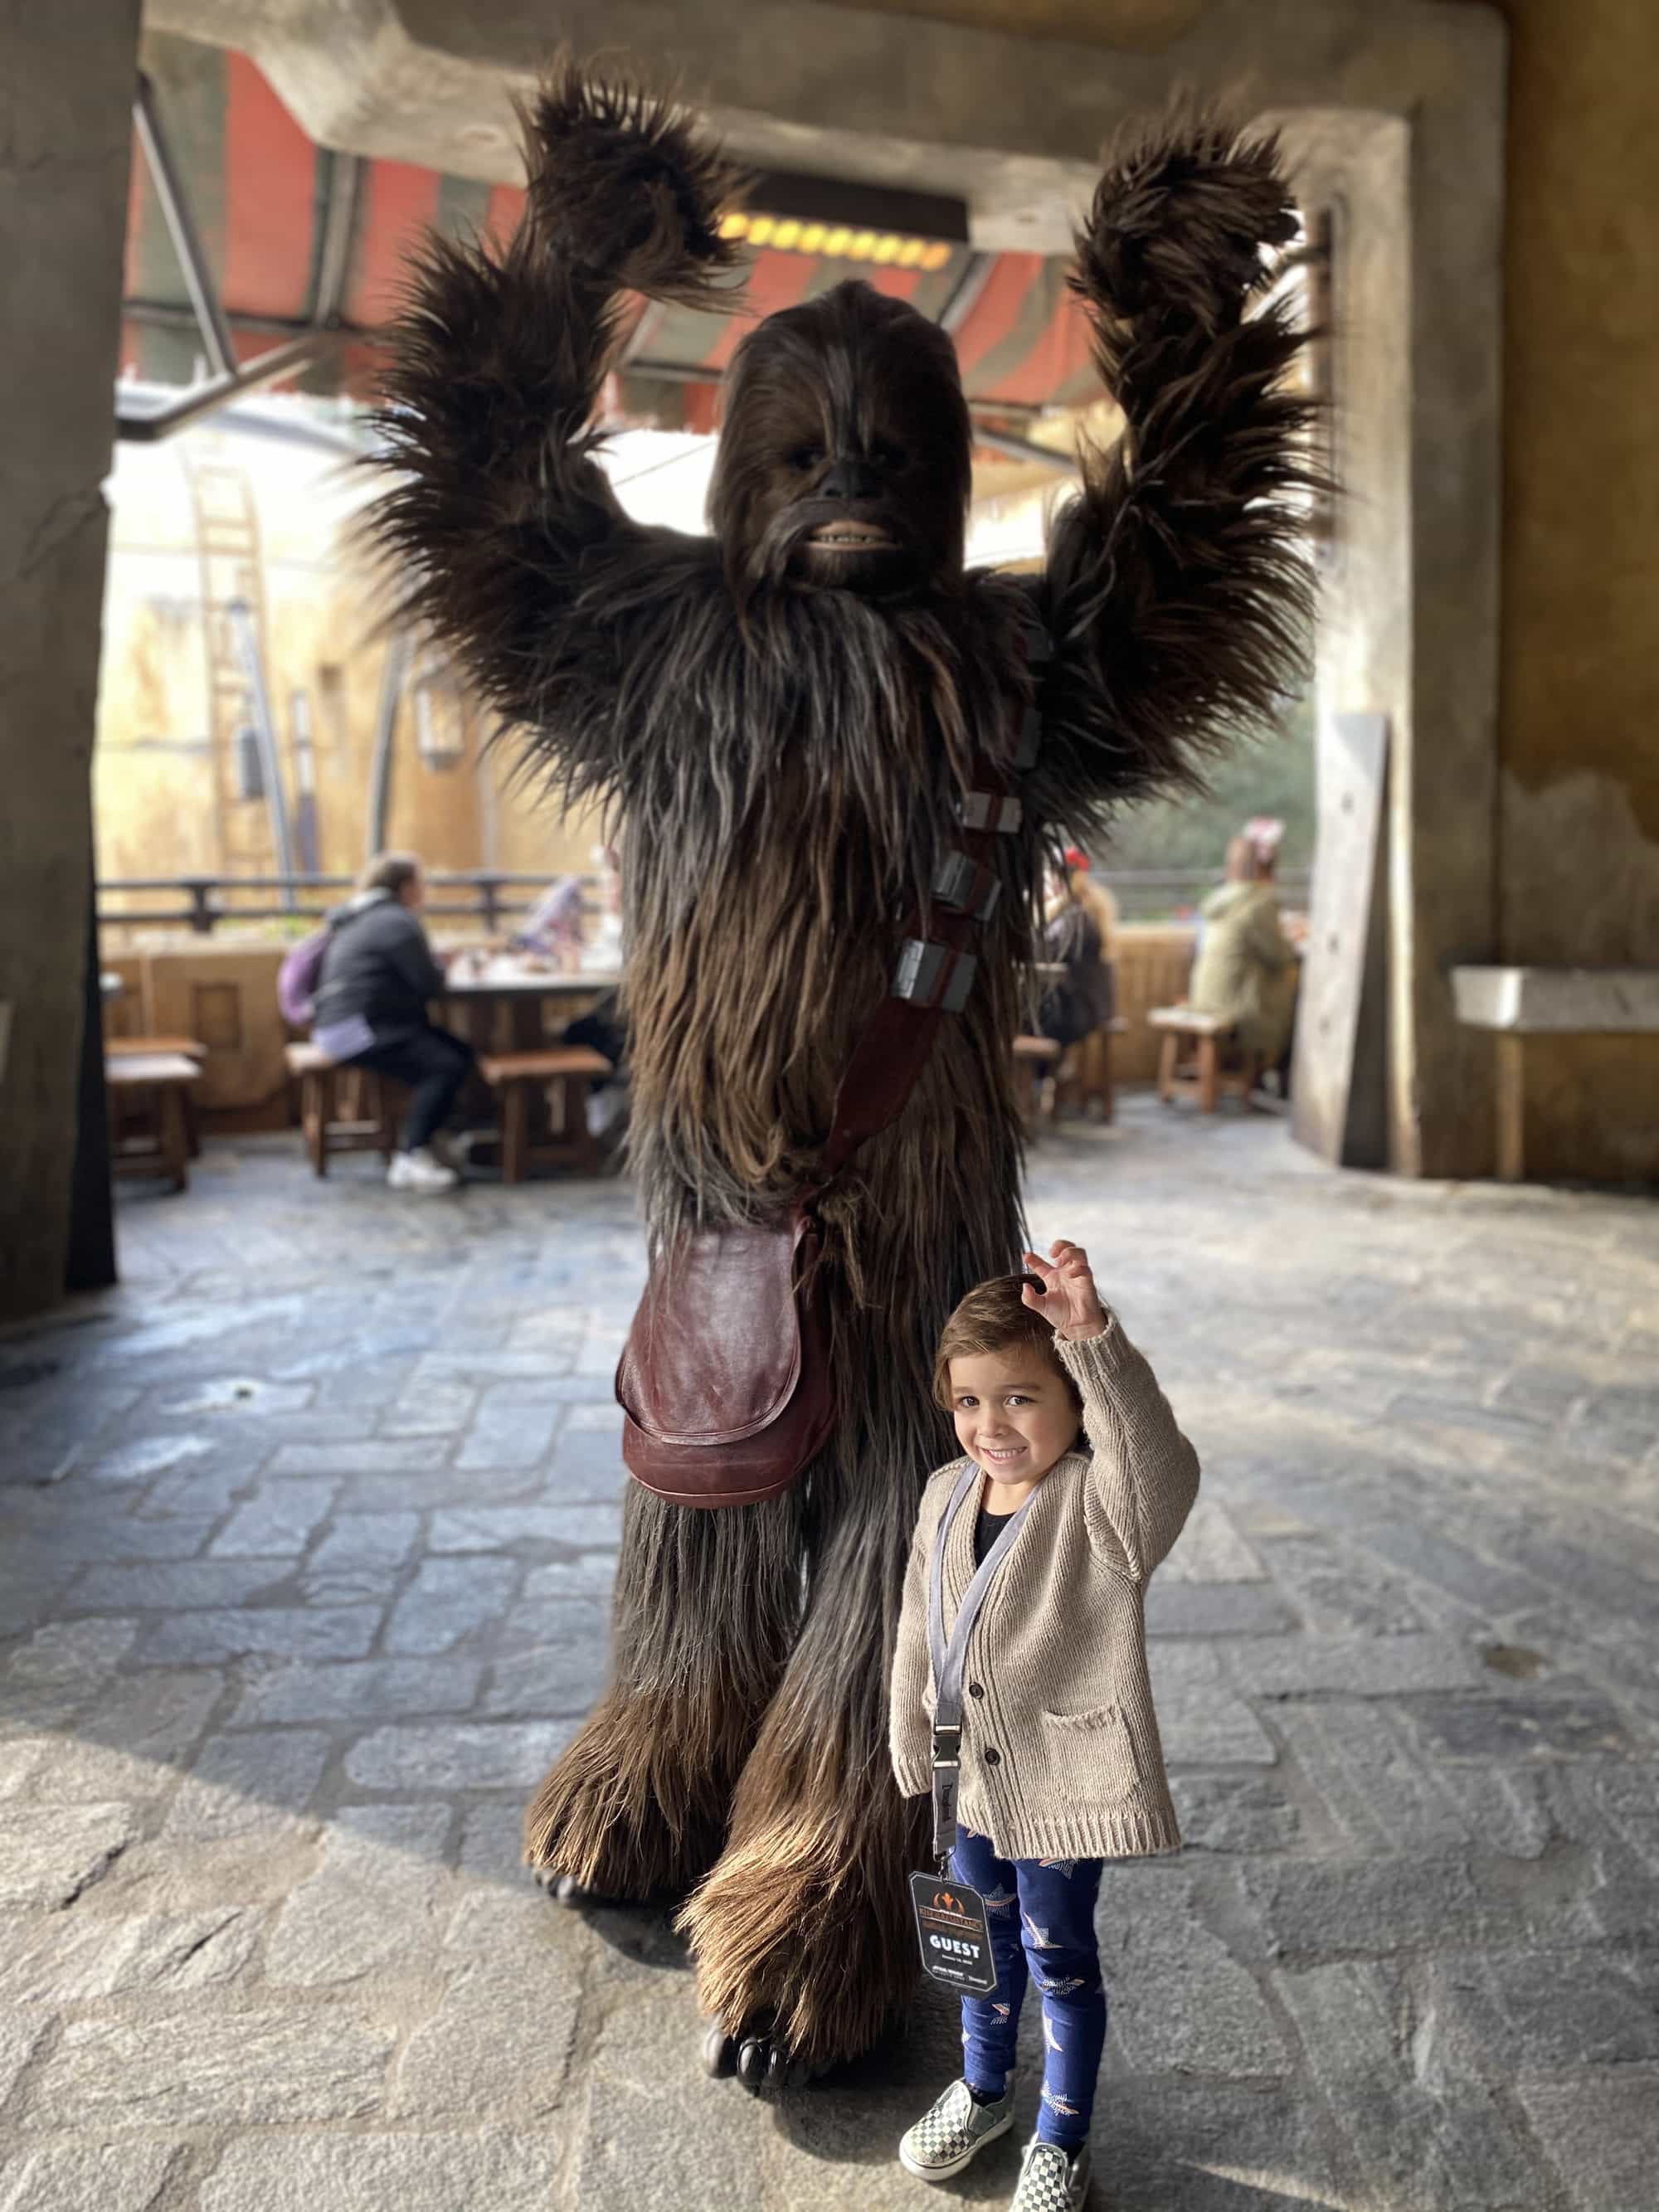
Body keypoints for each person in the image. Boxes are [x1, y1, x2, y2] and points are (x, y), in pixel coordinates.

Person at [889, 1239, 1199, 2211]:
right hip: (966, 1785)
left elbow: (1161, 1466)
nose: (991, 1425)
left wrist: (1095, 1342)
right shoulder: (944, 1494)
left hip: (1061, 1783)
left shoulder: (1103, 1508)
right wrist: (909, 1736)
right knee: (979, 1945)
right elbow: (916, 1629)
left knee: (1059, 1959)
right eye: (970, 1401)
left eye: (1020, 1397)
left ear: (1072, 1402)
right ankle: (983, 2091)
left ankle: (1059, 2137)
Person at [310, 852, 473, 1193]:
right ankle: (410, 1157)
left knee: (461, 1053)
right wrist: (443, 965)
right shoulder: (397, 921)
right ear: (408, 887)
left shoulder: (365, 916)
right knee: (444, 1066)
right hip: (355, 1030)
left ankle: (430, 1141)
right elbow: (429, 984)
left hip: (345, 1023)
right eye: (422, 884)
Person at [1189, 815, 1299, 1081]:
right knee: (1297, 999)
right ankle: (1280, 1076)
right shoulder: (1260, 900)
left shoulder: (1223, 897)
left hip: (1206, 995)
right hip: (1237, 1003)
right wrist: (1293, 940)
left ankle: (1267, 1075)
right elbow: (1276, 956)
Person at [1038, 845, 1118, 1049]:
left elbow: (1042, 954)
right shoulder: (1085, 912)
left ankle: (1040, 1078)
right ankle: (1047, 1076)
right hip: (1090, 1008)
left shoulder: (1075, 918)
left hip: (1075, 1013)